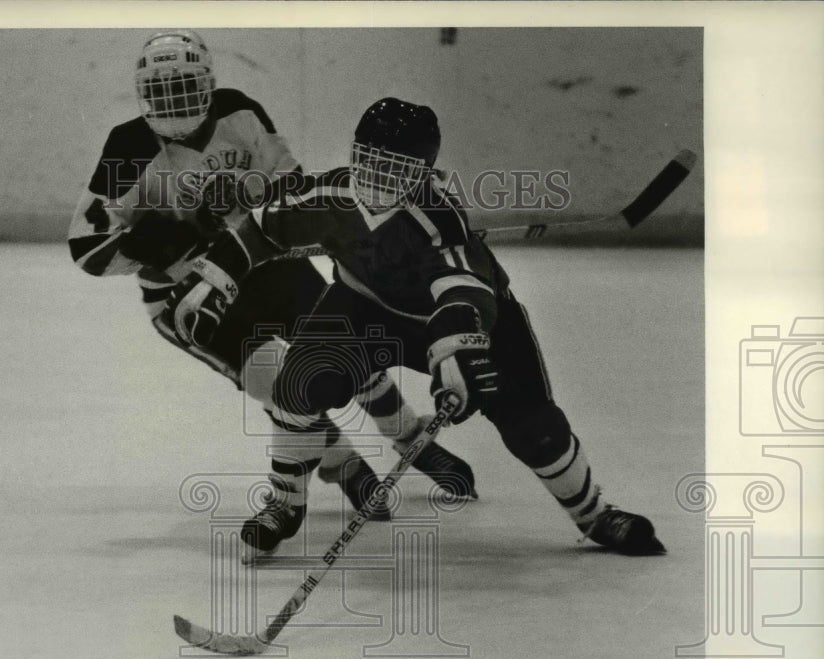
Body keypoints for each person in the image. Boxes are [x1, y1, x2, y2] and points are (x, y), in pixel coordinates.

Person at [165, 96, 667, 557]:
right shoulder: (331, 193)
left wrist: (455, 355)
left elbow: (463, 294)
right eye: (371, 161)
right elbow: (259, 228)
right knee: (297, 387)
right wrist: (215, 281)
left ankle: (594, 515)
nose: (378, 179)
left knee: (531, 428)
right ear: (355, 154)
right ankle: (286, 503)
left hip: (470, 323)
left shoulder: (440, 219)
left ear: (424, 172)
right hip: (364, 311)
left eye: (396, 169)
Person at [68, 34, 476, 536]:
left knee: (350, 352)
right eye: (162, 90)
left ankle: (411, 437)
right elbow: (87, 245)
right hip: (191, 295)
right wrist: (168, 238)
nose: (174, 101)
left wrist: (248, 196)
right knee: (280, 382)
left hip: (265, 265)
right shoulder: (128, 147)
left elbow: (289, 185)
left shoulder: (240, 111)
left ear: (210, 85)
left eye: (185, 87)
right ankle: (343, 463)